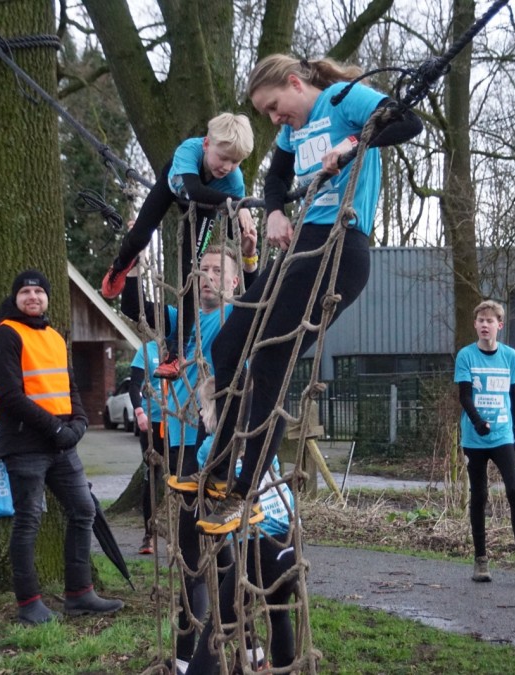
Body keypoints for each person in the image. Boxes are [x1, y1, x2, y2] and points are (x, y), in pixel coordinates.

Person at [180, 54, 423, 535]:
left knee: (271, 360)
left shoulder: (344, 100)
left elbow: (408, 122)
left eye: (274, 107)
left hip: (339, 248)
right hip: (301, 248)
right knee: (228, 346)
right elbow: (275, 178)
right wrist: (273, 211)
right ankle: (221, 467)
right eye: (266, 114)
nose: (274, 119)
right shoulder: (294, 133)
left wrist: (352, 144)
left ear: (294, 83)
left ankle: (245, 491)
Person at [121, 242, 257, 667]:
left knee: (207, 549)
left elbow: (260, 297)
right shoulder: (184, 321)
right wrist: (131, 258)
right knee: (200, 549)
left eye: (218, 271)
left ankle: (210, 650)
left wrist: (250, 259)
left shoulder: (235, 316)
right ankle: (233, 643)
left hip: (215, 448)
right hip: (180, 443)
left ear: (233, 281)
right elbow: (134, 307)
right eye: (203, 269)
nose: (208, 277)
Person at [0, 270, 124, 625]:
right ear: (15, 298)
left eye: (39, 292)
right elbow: (11, 397)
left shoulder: (55, 337)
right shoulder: (4, 335)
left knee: (83, 510)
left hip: (61, 446)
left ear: (47, 298)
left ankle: (79, 594)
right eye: (25, 292)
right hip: (24, 445)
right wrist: (57, 428)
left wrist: (79, 422)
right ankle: (29, 604)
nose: (33, 297)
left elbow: (69, 386)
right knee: (28, 520)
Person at [101, 113, 258, 380]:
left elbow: (233, 229)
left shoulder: (234, 181)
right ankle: (120, 266)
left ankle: (177, 353)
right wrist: (235, 203)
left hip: (204, 208)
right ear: (207, 144)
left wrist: (245, 224)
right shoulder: (190, 150)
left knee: (190, 272)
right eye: (223, 158)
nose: (227, 167)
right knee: (139, 236)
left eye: (235, 162)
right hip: (173, 188)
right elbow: (194, 190)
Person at [185, 379, 298, 675]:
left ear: (216, 413)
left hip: (260, 547)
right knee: (278, 611)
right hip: (291, 543)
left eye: (203, 407)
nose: (199, 412)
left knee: (218, 625)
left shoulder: (212, 450)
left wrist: (210, 426)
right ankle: (278, 666)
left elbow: (201, 466)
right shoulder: (262, 446)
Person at [455, 299, 515, 583]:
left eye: (490, 321)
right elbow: (464, 396)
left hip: (503, 435)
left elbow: (513, 397)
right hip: (475, 438)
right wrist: (477, 422)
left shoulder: (509, 356)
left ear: (499, 325)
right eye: (481, 320)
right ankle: (481, 561)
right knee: (479, 495)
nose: (485, 325)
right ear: (475, 325)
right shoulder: (466, 356)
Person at [128, 339, 165, 554]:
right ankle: (149, 535)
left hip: (178, 422)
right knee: (151, 476)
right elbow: (134, 385)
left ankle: (183, 533)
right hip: (153, 423)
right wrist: (139, 412)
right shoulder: (147, 350)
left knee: (184, 476)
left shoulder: (185, 345)